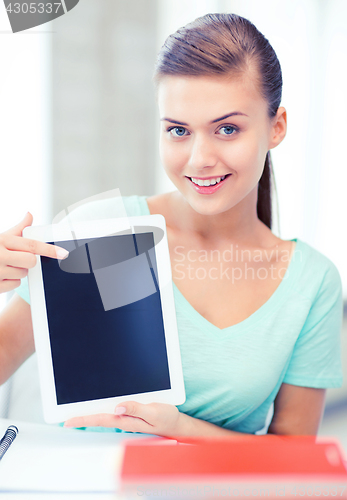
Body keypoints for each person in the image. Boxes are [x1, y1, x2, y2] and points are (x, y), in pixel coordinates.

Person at [0, 13, 342, 438]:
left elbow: (293, 457)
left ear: (277, 127)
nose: (199, 158)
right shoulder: (105, 232)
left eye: (228, 128)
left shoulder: (311, 283)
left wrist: (179, 427)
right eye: (179, 130)